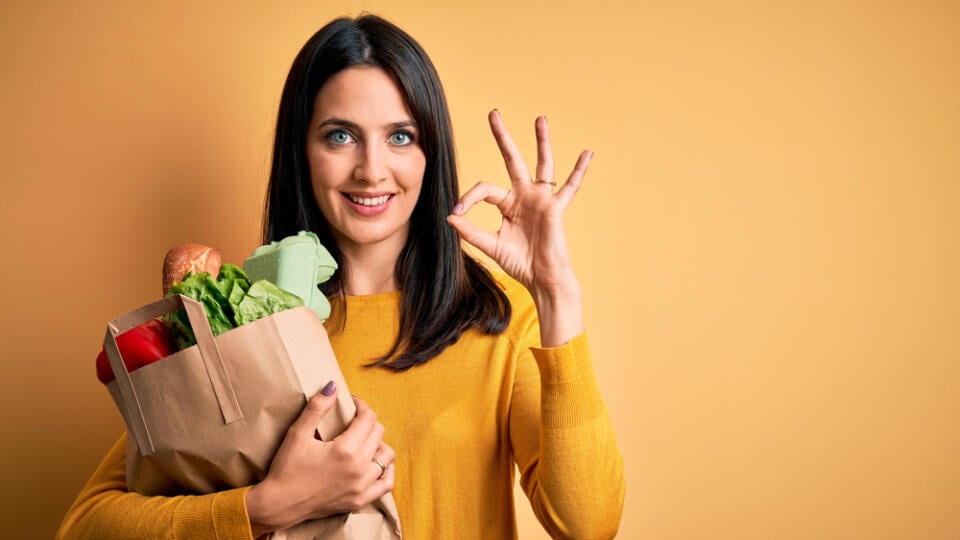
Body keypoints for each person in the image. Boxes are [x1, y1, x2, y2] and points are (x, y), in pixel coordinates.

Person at [57, 14, 625, 539]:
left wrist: (555, 294)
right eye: (339, 135)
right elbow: (85, 526)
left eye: (400, 136)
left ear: (431, 154)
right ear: (301, 151)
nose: (372, 169)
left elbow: (587, 524)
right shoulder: (246, 324)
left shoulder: (497, 317)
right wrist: (267, 507)